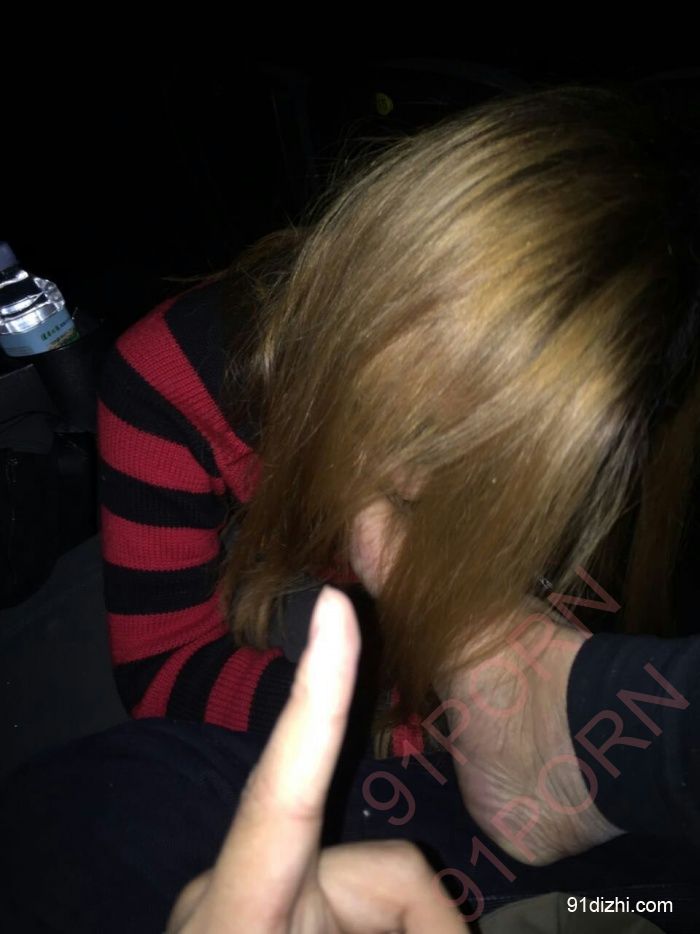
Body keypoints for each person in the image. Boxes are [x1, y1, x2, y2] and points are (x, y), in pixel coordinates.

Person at [1, 77, 700, 930]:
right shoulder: (167, 381)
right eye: (410, 443)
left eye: (485, 479)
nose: (426, 505)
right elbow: (161, 664)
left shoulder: (617, 444)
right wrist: (385, 722)